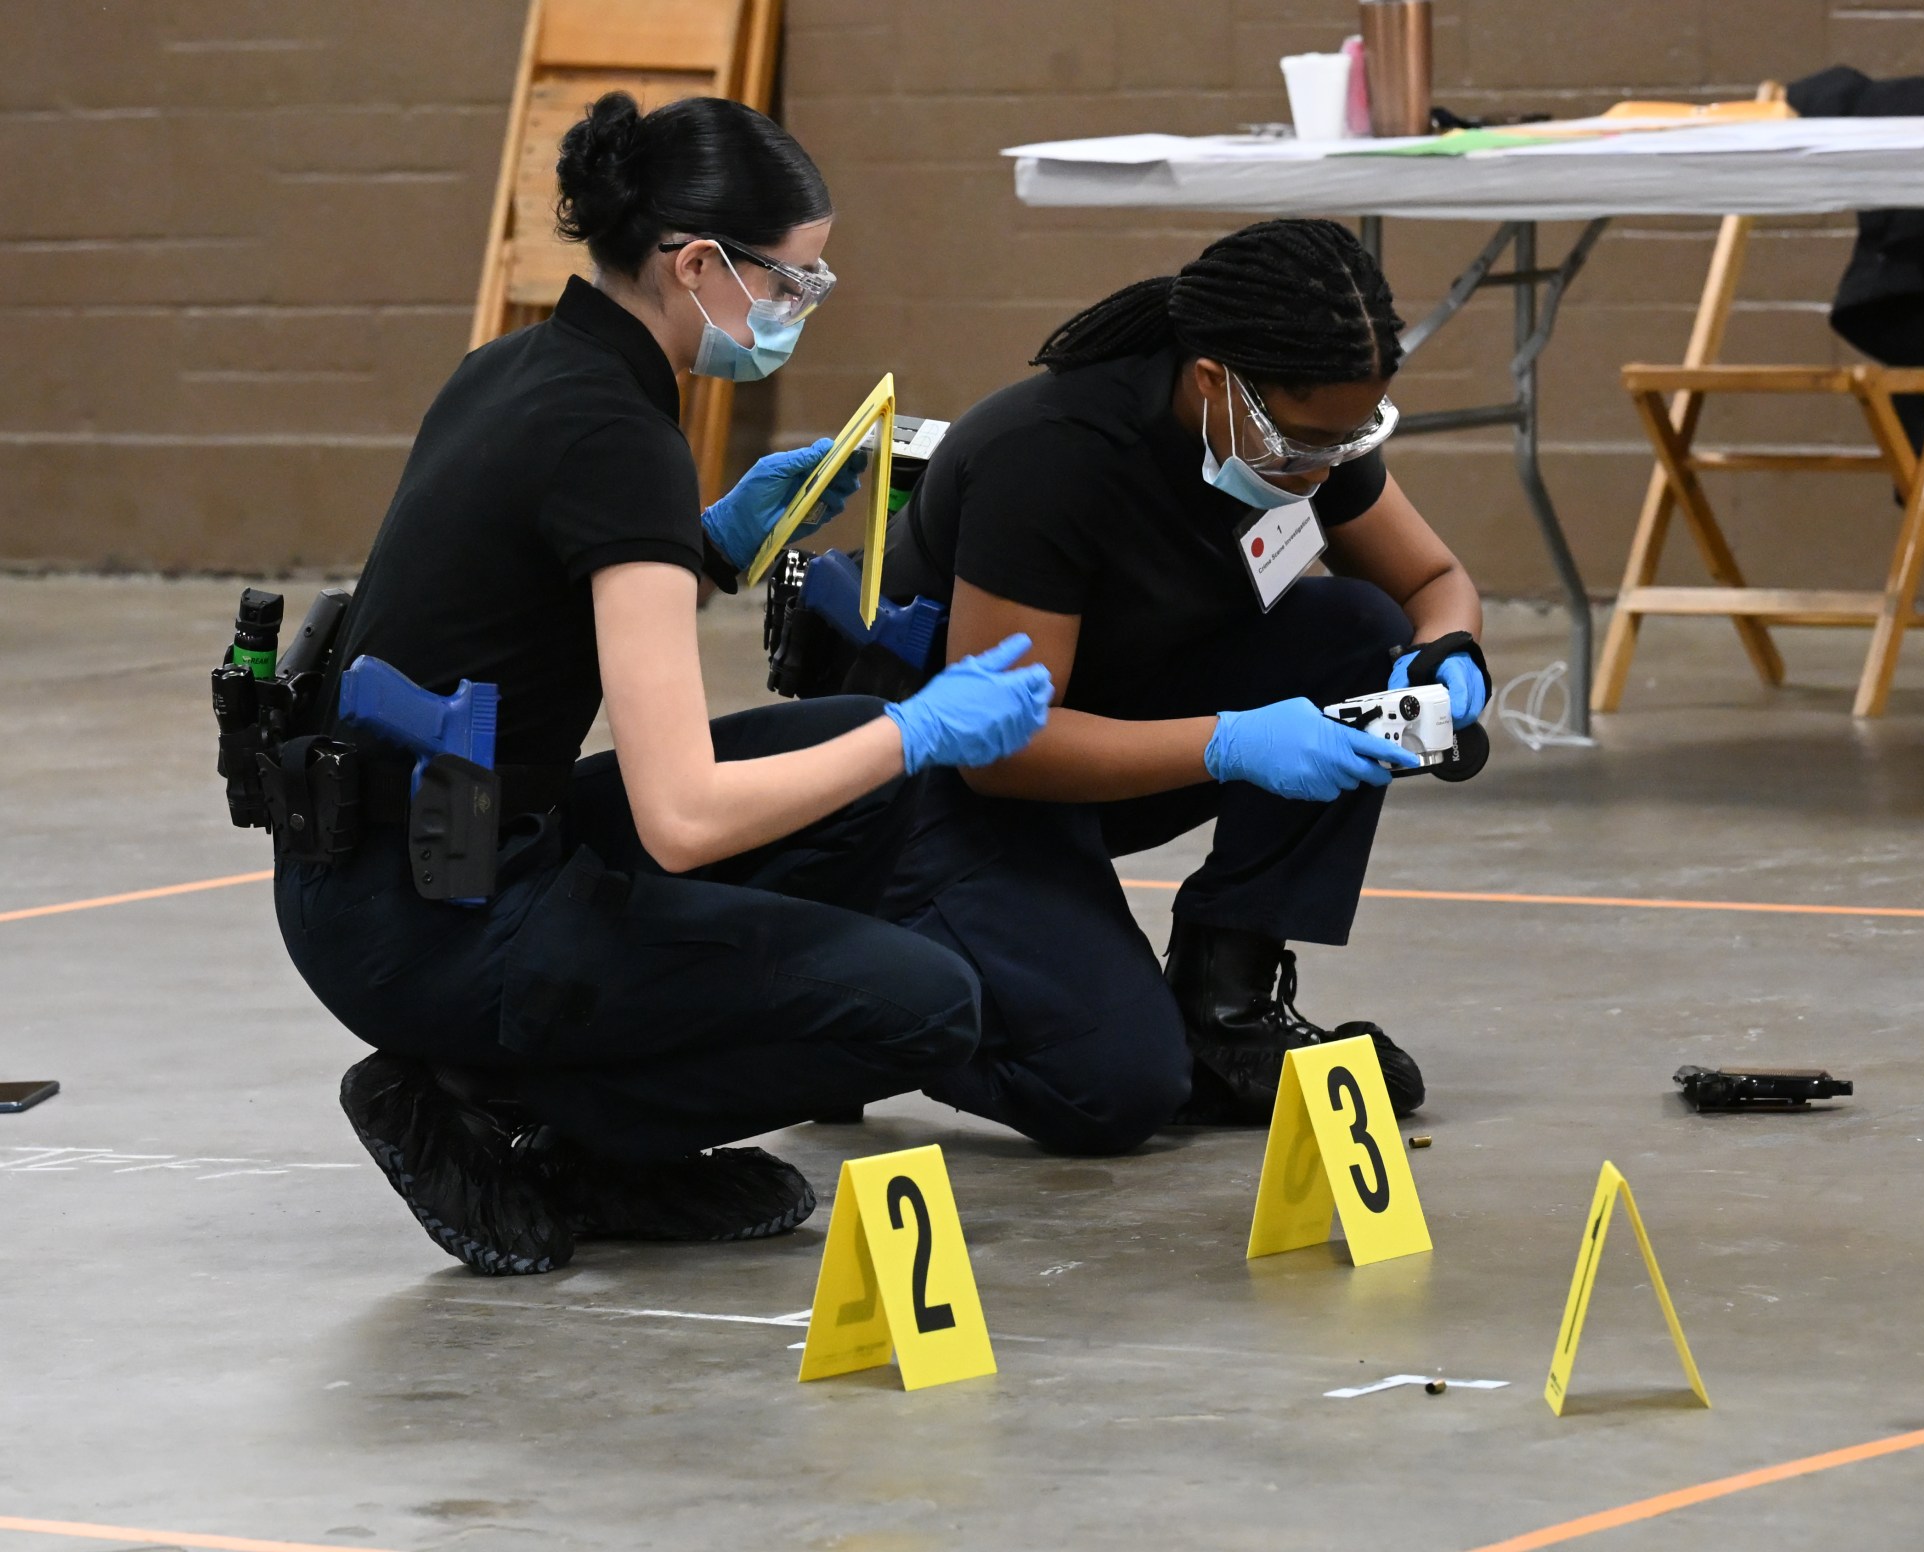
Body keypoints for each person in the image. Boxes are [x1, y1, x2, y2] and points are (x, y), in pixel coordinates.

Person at [273, 93, 1051, 1276]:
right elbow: (682, 818)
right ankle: (532, 1131)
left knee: (844, 762)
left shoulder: (519, 368)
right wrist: (917, 728)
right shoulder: (620, 441)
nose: (796, 310)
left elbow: (527, 597)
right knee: (928, 1002)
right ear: (696, 265)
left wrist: (712, 543)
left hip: (388, 868)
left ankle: (539, 1092)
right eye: (792, 283)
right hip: (432, 923)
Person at [875, 218, 1488, 1157]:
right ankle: (850, 1007)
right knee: (1119, 1089)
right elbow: (998, 753)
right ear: (1213, 381)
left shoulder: (1296, 423)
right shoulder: (1049, 453)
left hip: (1111, 737)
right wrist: (1231, 742)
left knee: (1361, 632)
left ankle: (1222, 1010)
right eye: (1307, 442)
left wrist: (1452, 655)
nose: (1323, 470)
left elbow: (1430, 585)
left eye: (1347, 439)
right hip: (941, 786)